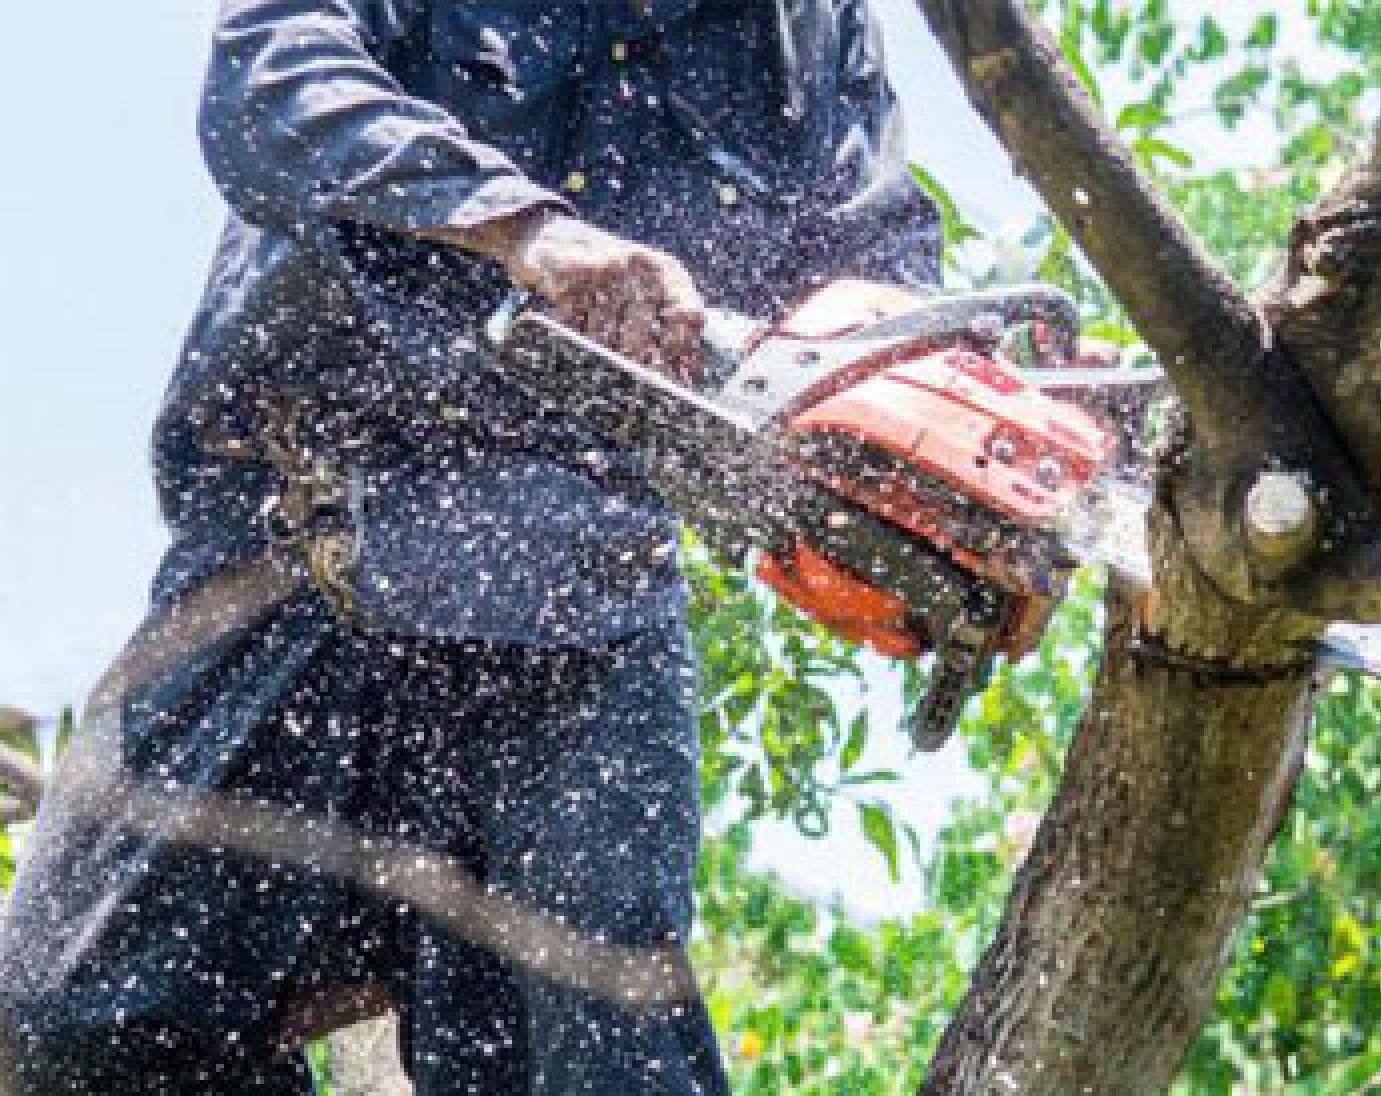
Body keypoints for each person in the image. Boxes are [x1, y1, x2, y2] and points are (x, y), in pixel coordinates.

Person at [0, 1, 938, 1092]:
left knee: (594, 1059)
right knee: (77, 1018)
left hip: (579, 598)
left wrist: (933, 456)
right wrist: (516, 226)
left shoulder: (806, 29)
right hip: (303, 542)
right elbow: (268, 77)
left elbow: (881, 285)